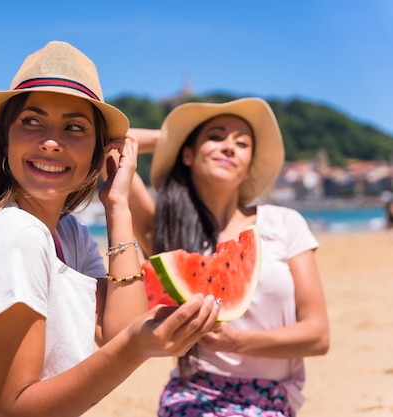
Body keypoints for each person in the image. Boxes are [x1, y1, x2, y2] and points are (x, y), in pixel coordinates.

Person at [0, 40, 221, 417]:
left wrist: (118, 206)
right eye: (31, 121)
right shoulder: (16, 237)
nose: (51, 142)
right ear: (5, 137)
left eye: (74, 128)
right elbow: (12, 408)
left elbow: (118, 327)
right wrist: (135, 348)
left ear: (98, 153)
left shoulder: (68, 234)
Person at [128, 98, 330, 416]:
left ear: (249, 163)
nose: (229, 147)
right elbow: (109, 147)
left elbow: (318, 335)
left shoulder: (284, 223)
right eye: (215, 136)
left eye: (242, 143)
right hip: (191, 395)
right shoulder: (165, 232)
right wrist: (167, 138)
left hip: (270, 398)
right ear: (188, 154)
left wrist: (237, 342)